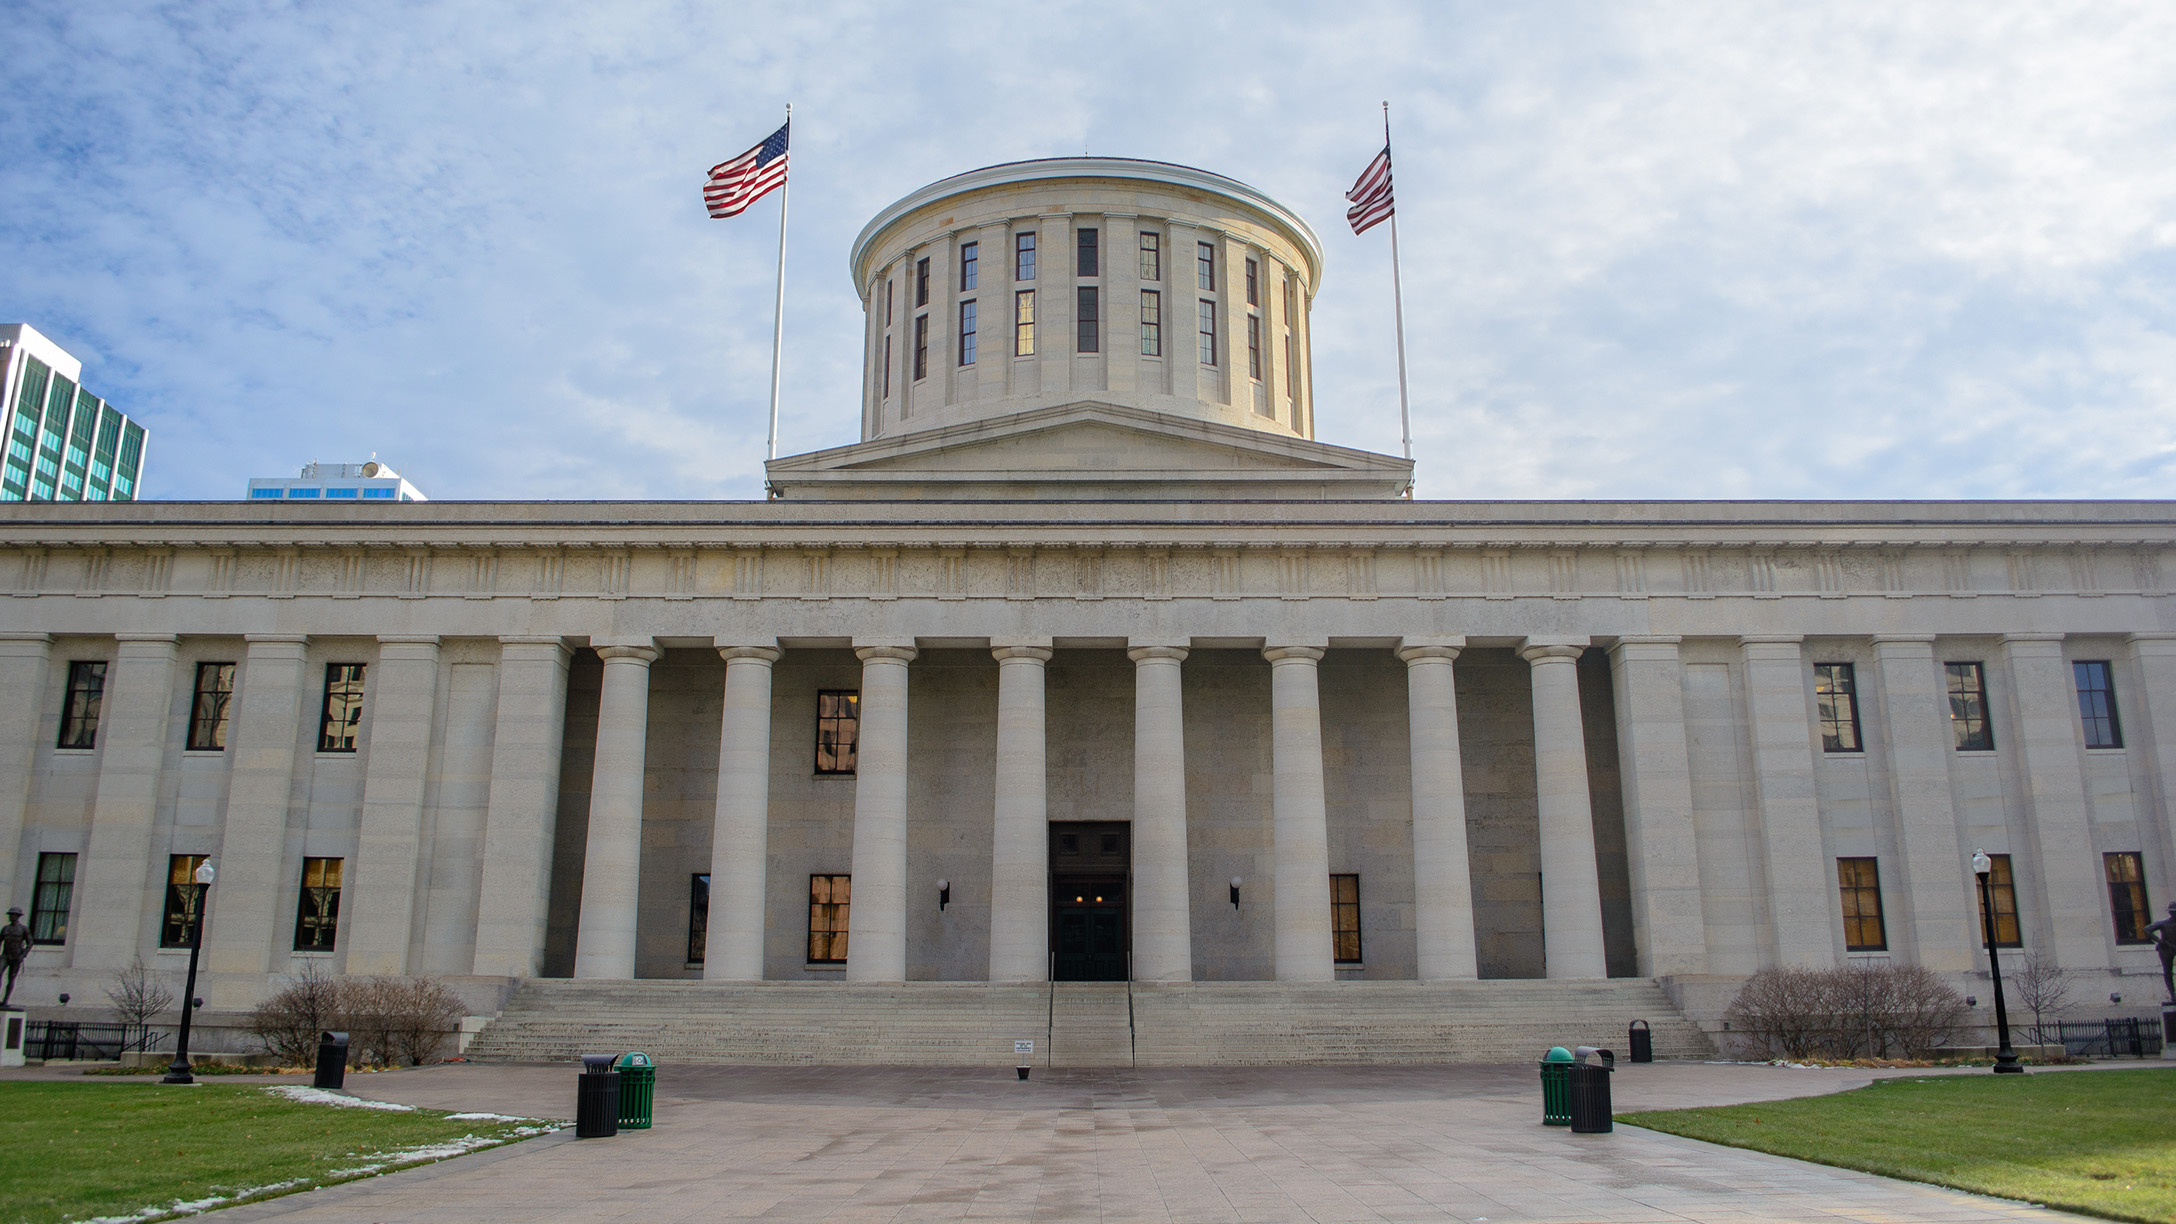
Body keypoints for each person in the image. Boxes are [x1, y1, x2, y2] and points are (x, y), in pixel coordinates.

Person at [0, 906, 28, 1009]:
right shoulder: (5, 928)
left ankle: (5, 1000)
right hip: (5, 955)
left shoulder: (23, 929)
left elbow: (30, 943)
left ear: (17, 916)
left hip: (16, 956)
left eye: (12, 915)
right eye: (10, 915)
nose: (10, 917)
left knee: (11, 978)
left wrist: (23, 955)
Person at [2148, 901, 2176, 1006]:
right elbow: (2147, 929)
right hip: (2166, 950)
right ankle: (2173, 995)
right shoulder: (2164, 923)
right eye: (2172, 912)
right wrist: (2160, 941)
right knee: (2168, 972)